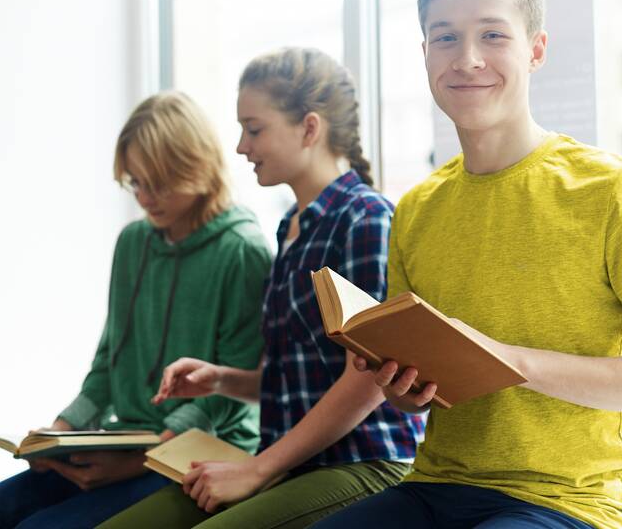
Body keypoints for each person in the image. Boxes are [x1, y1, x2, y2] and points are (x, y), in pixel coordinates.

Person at [313, 0, 622, 529]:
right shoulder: (418, 208)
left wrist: (510, 360)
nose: (468, 58)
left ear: (536, 50)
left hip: (568, 503)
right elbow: (415, 391)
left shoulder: (610, 189)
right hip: (435, 488)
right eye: (446, 37)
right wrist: (403, 386)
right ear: (425, 53)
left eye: (493, 36)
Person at [99, 47, 425, 529]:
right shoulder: (292, 227)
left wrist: (258, 468)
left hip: (363, 463)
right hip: (295, 463)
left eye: (254, 129)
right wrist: (223, 379)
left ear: (309, 129)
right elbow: (304, 378)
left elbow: (367, 383)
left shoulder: (366, 219)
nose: (240, 147)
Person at [0, 91, 272, 529]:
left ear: (196, 167)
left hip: (202, 453)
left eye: (157, 183)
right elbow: (109, 363)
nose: (144, 197)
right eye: (135, 182)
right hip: (124, 439)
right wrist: (57, 434)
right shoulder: (132, 244)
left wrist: (142, 460)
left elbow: (229, 394)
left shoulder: (242, 252)